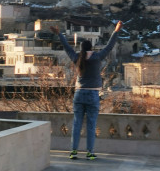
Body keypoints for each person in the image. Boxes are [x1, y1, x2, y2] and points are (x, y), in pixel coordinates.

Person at [50, 20, 122, 160]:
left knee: (77, 123)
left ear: (82, 49)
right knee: (91, 124)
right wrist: (116, 31)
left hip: (79, 94)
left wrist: (60, 34)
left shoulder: (77, 57)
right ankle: (90, 152)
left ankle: (73, 151)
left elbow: (66, 47)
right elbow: (109, 46)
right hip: (93, 94)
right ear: (91, 48)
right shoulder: (97, 57)